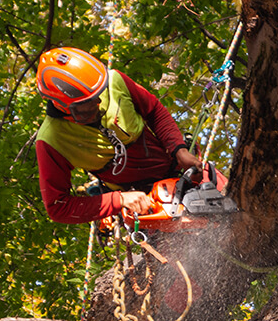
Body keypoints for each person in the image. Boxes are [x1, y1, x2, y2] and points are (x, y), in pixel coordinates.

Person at [34, 47, 202, 225]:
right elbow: (58, 207)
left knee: (225, 197)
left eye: (98, 96)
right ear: (61, 105)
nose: (97, 104)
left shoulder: (114, 82)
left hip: (179, 170)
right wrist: (119, 200)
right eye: (86, 105)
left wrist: (179, 149)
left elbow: (153, 110)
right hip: (144, 203)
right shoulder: (52, 140)